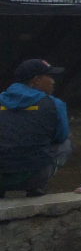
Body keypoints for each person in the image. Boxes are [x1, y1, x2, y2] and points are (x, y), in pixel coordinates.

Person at [0, 59, 73, 197]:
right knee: (66, 144)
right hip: (32, 178)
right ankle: (35, 187)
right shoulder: (54, 104)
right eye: (49, 77)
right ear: (36, 80)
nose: (53, 81)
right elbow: (60, 137)